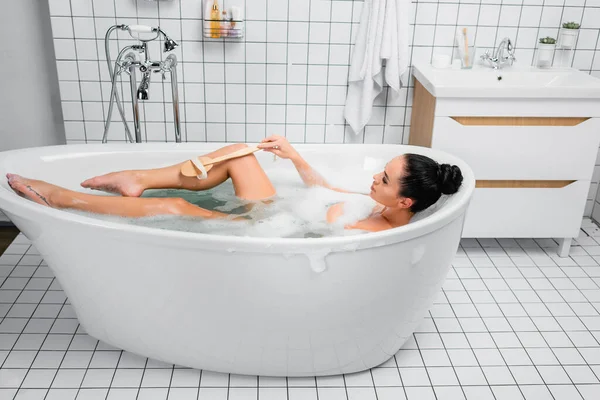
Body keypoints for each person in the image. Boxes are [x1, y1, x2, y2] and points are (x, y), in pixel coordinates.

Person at [6, 135, 463, 232]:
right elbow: (326, 189)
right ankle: (137, 178)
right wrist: (295, 157)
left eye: (381, 179)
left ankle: (62, 197)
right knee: (239, 154)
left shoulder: (381, 230)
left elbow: (316, 232)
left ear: (404, 198)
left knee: (177, 209)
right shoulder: (380, 206)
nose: (371, 178)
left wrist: (319, 209)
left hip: (264, 231)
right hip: (278, 211)